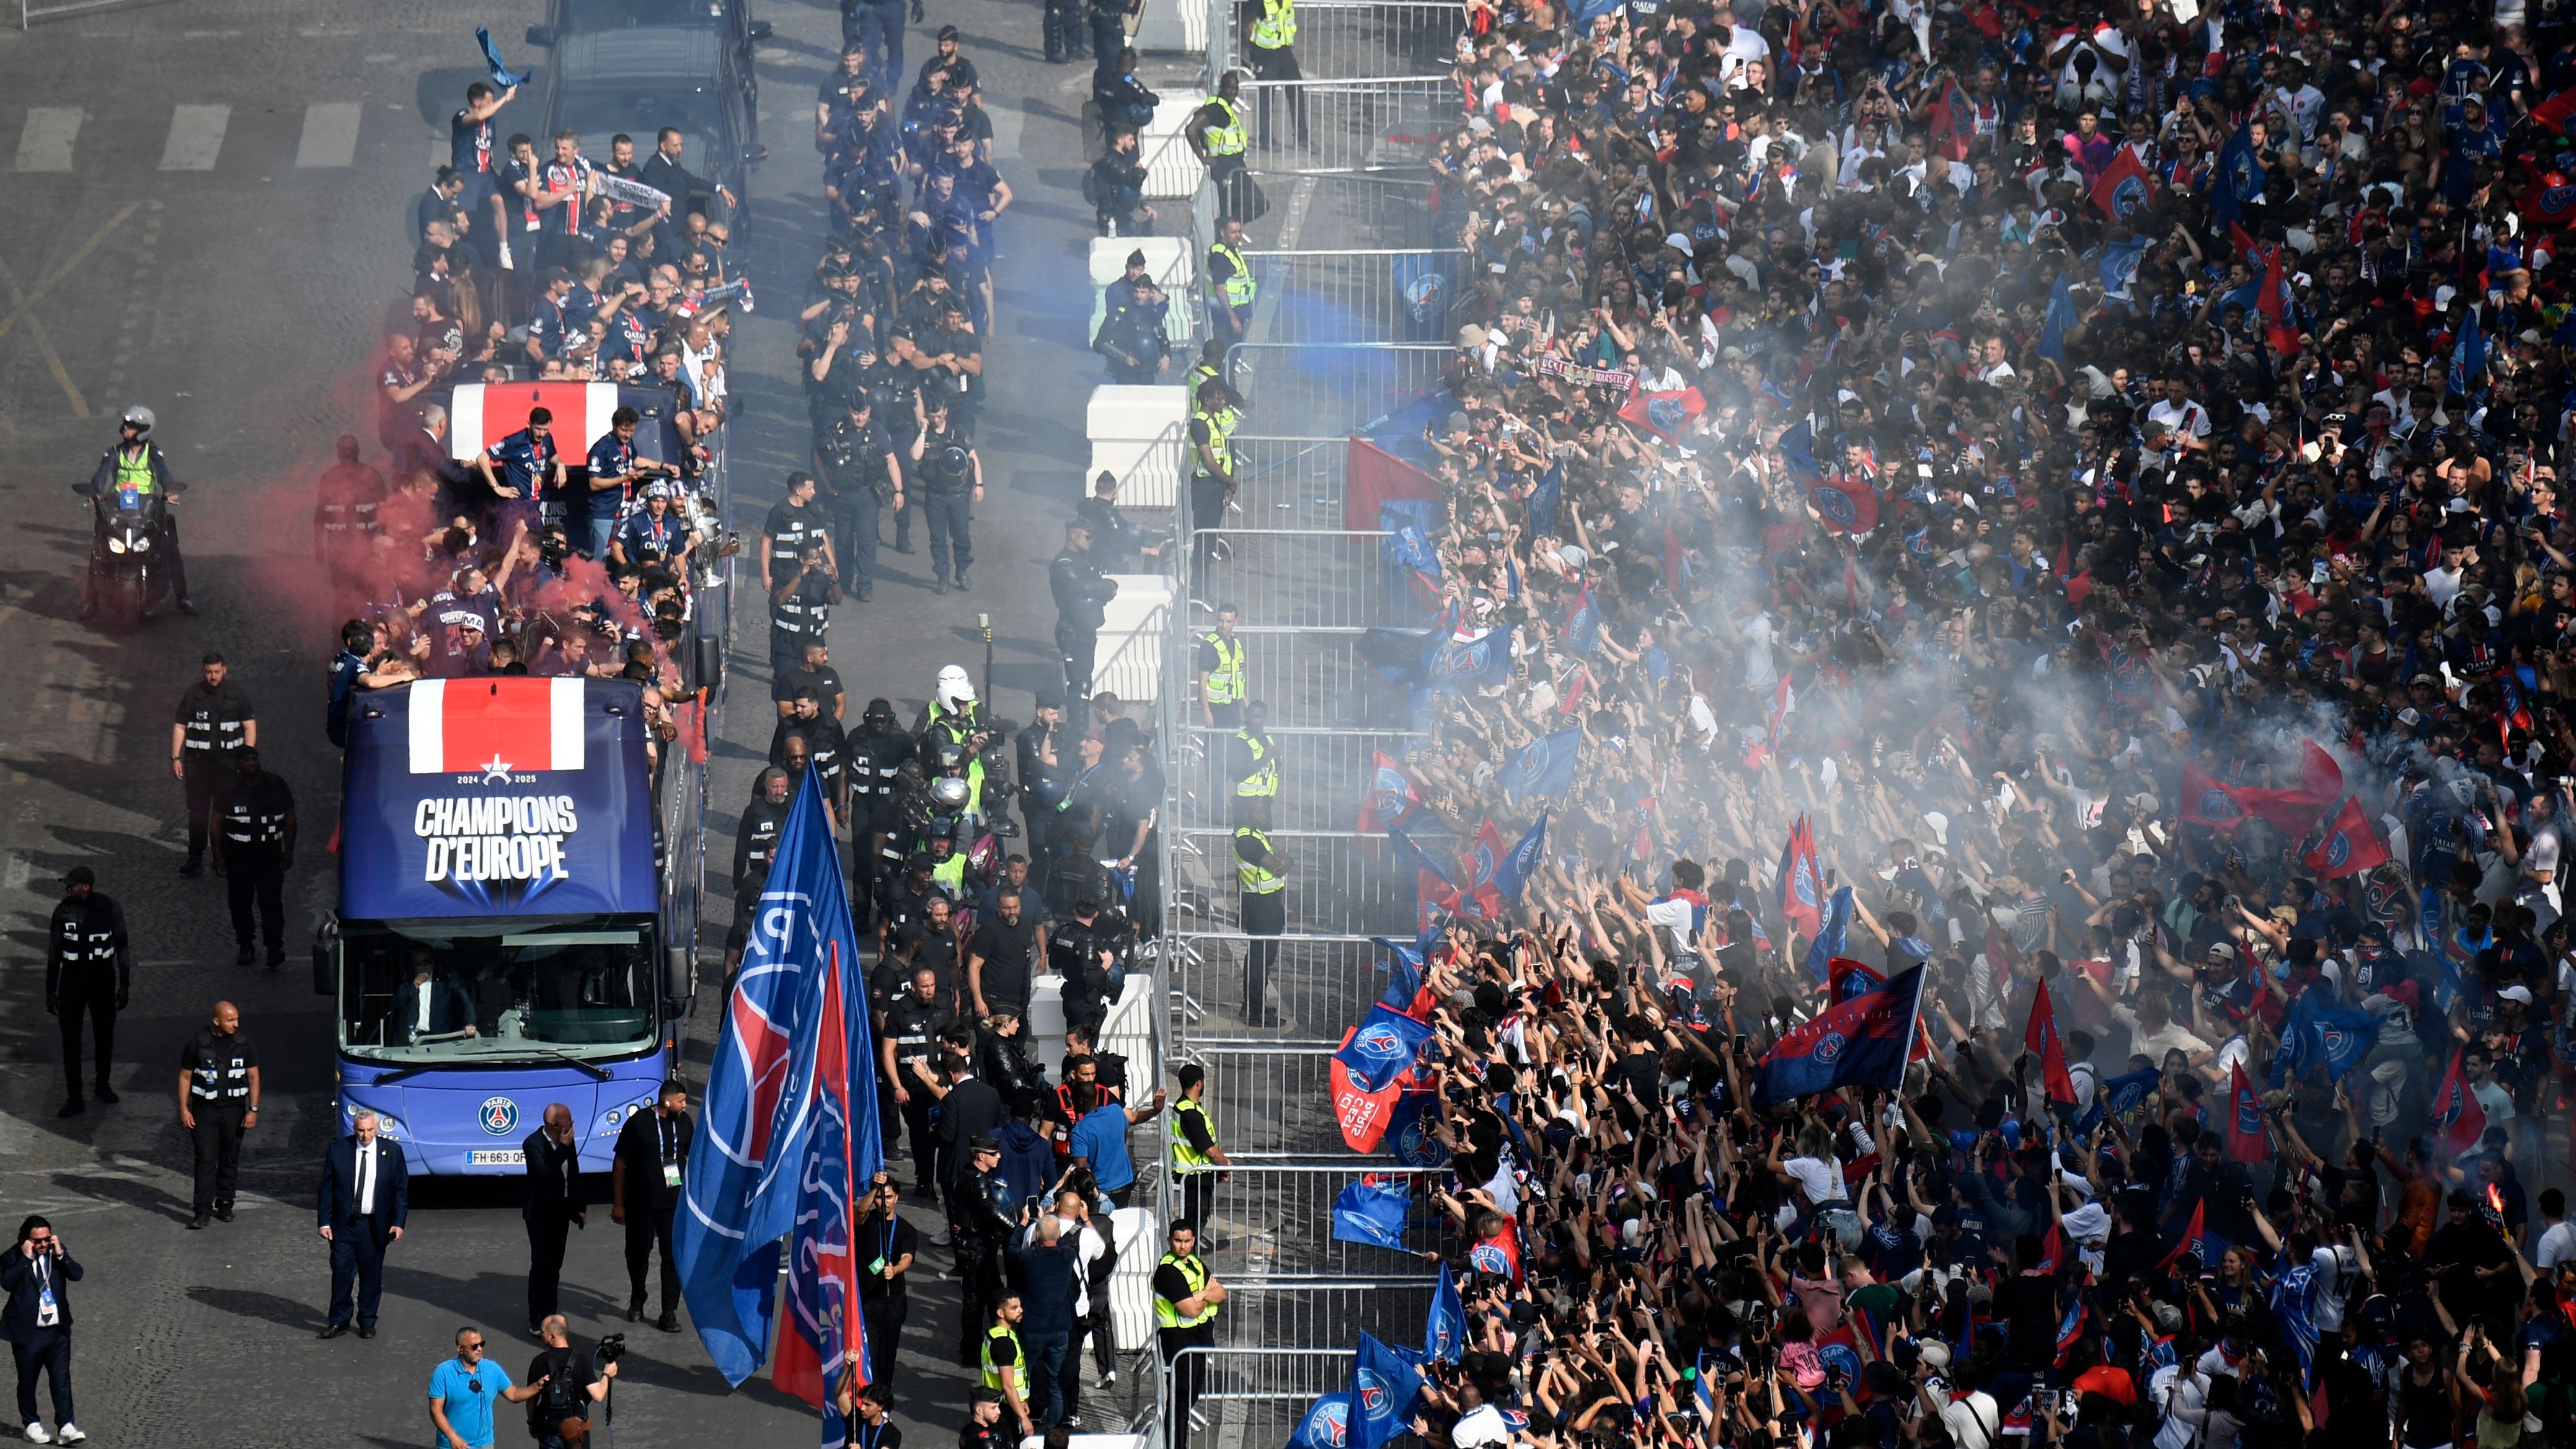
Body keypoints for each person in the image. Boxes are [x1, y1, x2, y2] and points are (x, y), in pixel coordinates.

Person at [80, 404, 194, 619]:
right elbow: (102, 475)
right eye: (126, 425)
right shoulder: (114, 453)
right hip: (119, 506)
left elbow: (164, 474)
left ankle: (183, 598)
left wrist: (170, 491)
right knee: (98, 551)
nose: (125, 429)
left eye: (131, 426)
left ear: (143, 430)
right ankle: (90, 602)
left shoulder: (153, 453)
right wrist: (95, 492)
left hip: (149, 507)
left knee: (171, 551)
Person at [317, 1108, 409, 1337]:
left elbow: (400, 1191)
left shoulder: (393, 1152)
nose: (365, 1136)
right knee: (341, 1272)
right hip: (344, 1225)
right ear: (354, 1129)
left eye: (369, 1130)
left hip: (375, 1226)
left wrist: (398, 1223)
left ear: (377, 1129)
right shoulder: (339, 1150)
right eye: (360, 1131)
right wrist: (324, 1222)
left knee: (371, 1276)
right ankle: (339, 1320)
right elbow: (326, 1189)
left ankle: (367, 1320)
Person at [44, 867, 126, 1119]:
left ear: (86, 886)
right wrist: (51, 989)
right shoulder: (62, 911)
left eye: (72, 885)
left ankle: (103, 1083)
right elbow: (54, 953)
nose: (68, 889)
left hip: (102, 980)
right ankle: (75, 1096)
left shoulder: (109, 908)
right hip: (72, 982)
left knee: (104, 1034)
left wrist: (125, 985)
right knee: (70, 1040)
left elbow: (123, 947)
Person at [611, 1079, 693, 1332]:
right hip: (640, 1203)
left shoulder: (684, 1122)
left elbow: (694, 1156)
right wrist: (618, 1203)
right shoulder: (639, 1123)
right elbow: (620, 1162)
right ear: (667, 1101)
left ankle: (668, 1312)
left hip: (673, 1204)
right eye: (681, 1101)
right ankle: (638, 1297)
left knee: (673, 1257)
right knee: (637, 1254)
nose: (686, 1105)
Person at [211, 745, 296, 968]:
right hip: (238, 856)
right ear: (238, 765)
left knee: (272, 903)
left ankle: (274, 946)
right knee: (240, 903)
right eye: (246, 761)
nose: (251, 764)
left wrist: (288, 850)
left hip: (269, 855)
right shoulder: (227, 789)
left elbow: (289, 817)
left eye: (254, 759)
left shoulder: (276, 785)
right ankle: (245, 944)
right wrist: (218, 856)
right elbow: (217, 823)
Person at [170, 652, 255, 876]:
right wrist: (176, 758)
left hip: (228, 766)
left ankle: (225, 856)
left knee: (227, 811)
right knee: (197, 812)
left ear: (224, 670)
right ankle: (195, 858)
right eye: (209, 672)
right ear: (203, 671)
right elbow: (180, 726)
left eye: (217, 672)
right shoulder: (193, 695)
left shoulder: (237, 695)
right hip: (198, 765)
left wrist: (248, 759)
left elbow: (249, 726)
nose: (213, 676)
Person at [178, 999, 259, 1229]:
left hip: (234, 1110)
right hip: (205, 1111)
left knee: (230, 1157)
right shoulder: (197, 1043)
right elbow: (185, 1077)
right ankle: (202, 1209)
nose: (236, 1024)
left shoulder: (244, 1043)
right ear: (217, 1021)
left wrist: (253, 1109)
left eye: (237, 1019)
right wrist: (184, 1109)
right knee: (205, 1158)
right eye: (230, 1020)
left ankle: (225, 1204)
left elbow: (253, 1077)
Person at [2, 1217, 81, 1447]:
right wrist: (26, 1259)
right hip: (29, 1334)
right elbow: (7, 1282)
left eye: (47, 1239)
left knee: (61, 1380)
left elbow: (77, 1274)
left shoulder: (55, 1255)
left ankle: (66, 1425)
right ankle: (31, 1424)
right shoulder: (12, 1257)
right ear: (26, 1240)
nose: (44, 1245)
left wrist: (61, 1255)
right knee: (28, 1381)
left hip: (57, 1331)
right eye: (38, 1241)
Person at [1153, 1219, 1224, 1449]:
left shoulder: (1194, 1262)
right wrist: (1207, 1293)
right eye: (1177, 1241)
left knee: (1189, 1400)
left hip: (1199, 1342)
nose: (1182, 1246)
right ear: (1169, 1241)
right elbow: (1191, 1310)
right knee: (1180, 1403)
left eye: (1187, 1241)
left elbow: (1221, 1293)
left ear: (1194, 1241)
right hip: (1179, 1344)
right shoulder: (1167, 1271)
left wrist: (1200, 1294)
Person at [1009, 1214, 1084, 1430]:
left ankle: (1018, 1422)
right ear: (1059, 1235)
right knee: (1056, 1382)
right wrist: (1053, 1229)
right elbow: (1060, 1241)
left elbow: (1012, 1248)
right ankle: (1052, 1431)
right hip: (1060, 1328)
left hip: (1033, 1327)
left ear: (1038, 1235)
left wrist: (1024, 1223)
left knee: (1022, 1376)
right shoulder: (1068, 1255)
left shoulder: (1028, 1258)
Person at [521, 1104, 586, 1337]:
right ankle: (537, 1317)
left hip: (561, 1212)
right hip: (539, 1215)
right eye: (569, 1120)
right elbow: (545, 1174)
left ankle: (551, 1313)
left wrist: (580, 1207)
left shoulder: (567, 1141)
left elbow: (574, 1174)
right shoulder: (533, 1144)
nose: (572, 1124)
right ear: (554, 1125)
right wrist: (563, 1149)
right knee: (541, 1265)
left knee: (555, 1266)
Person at [908, 390, 982, 593]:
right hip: (935, 494)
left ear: (946, 412)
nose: (936, 419)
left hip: (958, 493)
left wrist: (979, 485)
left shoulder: (957, 432)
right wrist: (923, 431)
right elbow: (915, 456)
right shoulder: (925, 434)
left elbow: (974, 458)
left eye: (939, 416)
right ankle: (942, 575)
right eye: (933, 416)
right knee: (938, 538)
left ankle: (962, 571)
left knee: (961, 536)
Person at [427, 1326, 544, 1449]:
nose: (479, 1349)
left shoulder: (492, 1369)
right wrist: (453, 1438)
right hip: (452, 1445)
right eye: (474, 1346)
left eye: (481, 1344)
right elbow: (435, 1411)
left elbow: (513, 1394)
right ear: (460, 1349)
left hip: (484, 1444)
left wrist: (537, 1386)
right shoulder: (443, 1373)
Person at [1066, 1080, 1166, 1208]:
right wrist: (1155, 1111)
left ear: (1080, 1102)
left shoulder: (1080, 1131)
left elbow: (1082, 1172)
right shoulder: (1116, 1111)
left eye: (1072, 1099)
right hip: (1124, 1188)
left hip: (1101, 1194)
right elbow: (1134, 1118)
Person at [855, 1177, 918, 1378]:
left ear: (897, 1199)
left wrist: (896, 1270)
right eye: (881, 1198)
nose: (885, 1202)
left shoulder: (906, 1230)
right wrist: (876, 1188)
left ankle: (882, 1398)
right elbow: (860, 1212)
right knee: (869, 1352)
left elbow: (907, 1257)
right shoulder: (868, 1222)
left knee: (887, 1355)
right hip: (867, 1299)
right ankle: (868, 1396)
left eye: (889, 1197)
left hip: (893, 1300)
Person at [1050, 521, 1118, 707]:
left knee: (1084, 681)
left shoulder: (1083, 560)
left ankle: (1079, 730)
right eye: (1088, 537)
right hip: (1072, 629)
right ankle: (1078, 731)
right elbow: (1077, 587)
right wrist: (1106, 588)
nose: (1091, 541)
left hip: (1084, 628)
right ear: (1073, 536)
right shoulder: (1064, 563)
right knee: (1080, 685)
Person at [523, 1316, 616, 1448]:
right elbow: (598, 1395)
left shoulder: (540, 1362)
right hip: (576, 1431)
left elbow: (531, 1399)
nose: (542, 1335)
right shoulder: (581, 1360)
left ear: (552, 1337)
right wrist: (607, 1373)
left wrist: (532, 1424)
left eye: (543, 1332)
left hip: (549, 1430)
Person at [1233, 796, 1287, 1026]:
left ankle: (1254, 1006)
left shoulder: (1257, 835)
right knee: (1259, 960)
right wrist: (1285, 861)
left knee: (1263, 960)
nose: (1264, 817)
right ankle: (1255, 1013)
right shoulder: (1247, 840)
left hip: (1269, 903)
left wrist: (1284, 860)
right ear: (1246, 814)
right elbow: (1278, 865)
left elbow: (1282, 858)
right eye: (1259, 812)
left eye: (1265, 812)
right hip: (1261, 904)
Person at [1186, 384, 1240, 589]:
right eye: (1219, 398)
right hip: (1205, 487)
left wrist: (1227, 485)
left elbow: (1224, 455)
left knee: (1209, 544)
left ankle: (1202, 590)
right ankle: (1198, 591)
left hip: (1217, 485)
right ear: (1207, 400)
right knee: (1203, 544)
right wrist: (1230, 481)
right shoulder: (1200, 423)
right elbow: (1209, 462)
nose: (1224, 402)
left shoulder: (1214, 420)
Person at [1184, 71, 1257, 221]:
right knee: (1258, 204)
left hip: (1235, 165)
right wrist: (1203, 158)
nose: (1233, 92)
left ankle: (1225, 232)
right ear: (1221, 88)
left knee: (1231, 209)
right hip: (1225, 166)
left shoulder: (1226, 107)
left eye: (1236, 88)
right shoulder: (1216, 108)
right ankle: (1224, 230)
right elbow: (1191, 129)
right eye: (1229, 88)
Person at [1169, 1063, 1232, 1232]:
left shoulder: (1185, 1107)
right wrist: (1225, 1164)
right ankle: (1189, 1255)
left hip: (1193, 1175)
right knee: (1194, 1224)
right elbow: (1209, 1149)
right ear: (1198, 1084)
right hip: (1195, 1177)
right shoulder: (1191, 1114)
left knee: (1194, 1222)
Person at [966, 888, 1045, 1023]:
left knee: (1016, 1043)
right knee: (993, 1044)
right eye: (1007, 908)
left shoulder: (1025, 925)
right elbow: (974, 967)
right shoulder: (988, 931)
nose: (1012, 912)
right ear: (998, 908)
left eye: (1015, 907)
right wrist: (978, 1000)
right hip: (992, 1001)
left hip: (1017, 1001)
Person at [1241, 0, 1306, 148]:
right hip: (1265, 53)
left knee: (1297, 90)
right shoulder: (1260, 2)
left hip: (1284, 51)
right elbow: (1248, 23)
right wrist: (1253, 51)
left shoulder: (1287, 1)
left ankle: (1302, 139)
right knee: (1266, 96)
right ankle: (1266, 139)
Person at [977, 1292, 1034, 1442]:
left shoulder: (997, 1333)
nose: (1021, 1310)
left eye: (1020, 1306)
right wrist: (1023, 1418)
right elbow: (1008, 1385)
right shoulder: (1004, 1343)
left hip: (1000, 1403)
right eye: (1014, 1308)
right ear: (1000, 1313)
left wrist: (1021, 1401)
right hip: (1003, 1409)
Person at [1206, 215, 1256, 347]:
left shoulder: (1233, 252)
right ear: (1223, 233)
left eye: (1239, 232)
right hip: (1224, 318)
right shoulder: (1220, 257)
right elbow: (1220, 290)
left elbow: (1241, 285)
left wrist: (1247, 312)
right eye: (1233, 232)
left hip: (1237, 314)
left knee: (1234, 354)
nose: (1238, 235)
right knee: (1225, 357)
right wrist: (1233, 319)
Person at [1226, 698, 1278, 802]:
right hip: (1246, 802)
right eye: (1250, 716)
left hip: (1264, 799)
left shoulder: (1268, 739)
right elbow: (1237, 775)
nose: (1252, 720)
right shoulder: (1241, 741)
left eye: (1257, 717)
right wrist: (1264, 760)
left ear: (1265, 718)